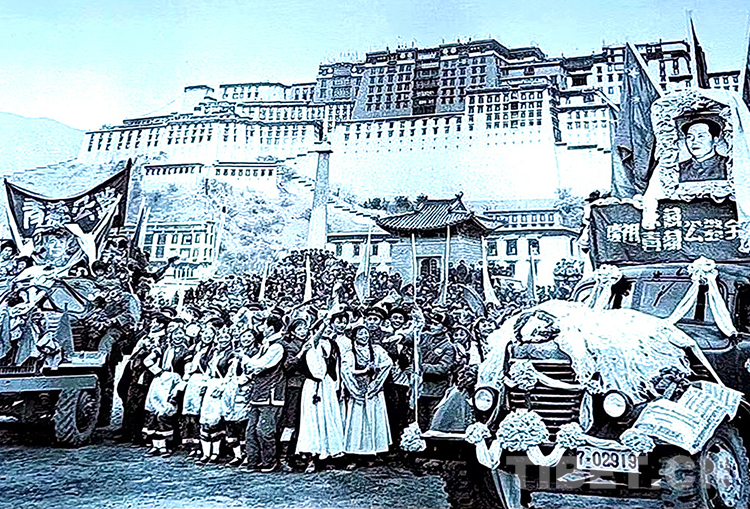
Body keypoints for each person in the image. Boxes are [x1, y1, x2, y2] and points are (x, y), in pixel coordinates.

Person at [295, 316, 345, 471]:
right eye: (324, 328)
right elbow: (314, 341)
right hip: (312, 385)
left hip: (328, 385)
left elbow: (337, 367)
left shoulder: (333, 345)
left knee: (328, 418)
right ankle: (311, 457)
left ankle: (327, 455)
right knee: (311, 420)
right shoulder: (310, 344)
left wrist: (339, 386)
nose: (327, 330)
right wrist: (324, 323)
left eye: (329, 328)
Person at [340, 325, 392, 458]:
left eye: (365, 333)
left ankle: (375, 452)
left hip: (374, 389)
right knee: (357, 421)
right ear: (354, 337)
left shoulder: (377, 350)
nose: (364, 336)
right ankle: (356, 453)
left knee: (375, 418)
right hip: (358, 389)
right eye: (360, 334)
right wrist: (361, 375)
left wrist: (376, 369)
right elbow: (346, 371)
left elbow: (388, 363)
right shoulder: (350, 353)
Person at [244, 316, 286, 472]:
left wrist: (244, 358)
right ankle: (253, 461)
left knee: (264, 430)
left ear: (271, 328)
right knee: (251, 431)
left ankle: (269, 462)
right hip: (258, 392)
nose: (262, 328)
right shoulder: (266, 345)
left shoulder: (277, 346)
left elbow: (262, 364)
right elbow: (253, 367)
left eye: (264, 325)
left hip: (271, 394)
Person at [143, 322, 190, 456]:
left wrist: (180, 385)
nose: (178, 336)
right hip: (160, 382)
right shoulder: (163, 348)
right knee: (153, 413)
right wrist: (157, 371)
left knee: (166, 414)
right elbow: (147, 360)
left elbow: (187, 370)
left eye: (180, 333)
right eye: (175, 334)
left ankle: (167, 445)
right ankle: (156, 445)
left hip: (174, 382)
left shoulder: (186, 351)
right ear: (171, 335)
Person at [198, 327, 234, 463]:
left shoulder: (231, 355)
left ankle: (216, 452)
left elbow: (231, 374)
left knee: (216, 420)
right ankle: (205, 453)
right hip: (211, 386)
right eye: (221, 338)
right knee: (206, 419)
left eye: (226, 338)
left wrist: (222, 387)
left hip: (222, 387)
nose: (223, 340)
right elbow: (208, 371)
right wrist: (204, 384)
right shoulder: (214, 353)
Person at [222, 327, 257, 466]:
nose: (246, 339)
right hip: (233, 389)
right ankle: (237, 454)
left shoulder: (256, 352)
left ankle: (247, 454)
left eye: (249, 336)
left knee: (243, 423)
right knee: (231, 421)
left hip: (246, 389)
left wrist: (246, 379)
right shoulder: (236, 353)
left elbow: (255, 369)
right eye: (244, 336)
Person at [180, 322, 216, 456]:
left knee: (200, 414)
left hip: (204, 380)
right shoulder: (195, 347)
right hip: (192, 381)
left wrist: (205, 383)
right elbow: (187, 361)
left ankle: (201, 445)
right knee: (189, 414)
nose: (207, 336)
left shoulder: (213, 350)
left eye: (210, 334)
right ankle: (191, 443)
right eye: (205, 333)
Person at [418, 312, 456, 432]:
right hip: (420, 388)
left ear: (444, 329)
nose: (432, 326)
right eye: (432, 323)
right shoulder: (425, 337)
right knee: (419, 420)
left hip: (436, 390)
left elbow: (442, 368)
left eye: (436, 324)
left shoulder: (448, 347)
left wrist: (420, 367)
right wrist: (402, 337)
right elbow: (412, 337)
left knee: (433, 419)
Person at [678, 117, 729, 182]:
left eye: (701, 136)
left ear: (715, 140)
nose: (694, 141)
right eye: (689, 137)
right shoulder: (680, 168)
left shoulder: (727, 164)